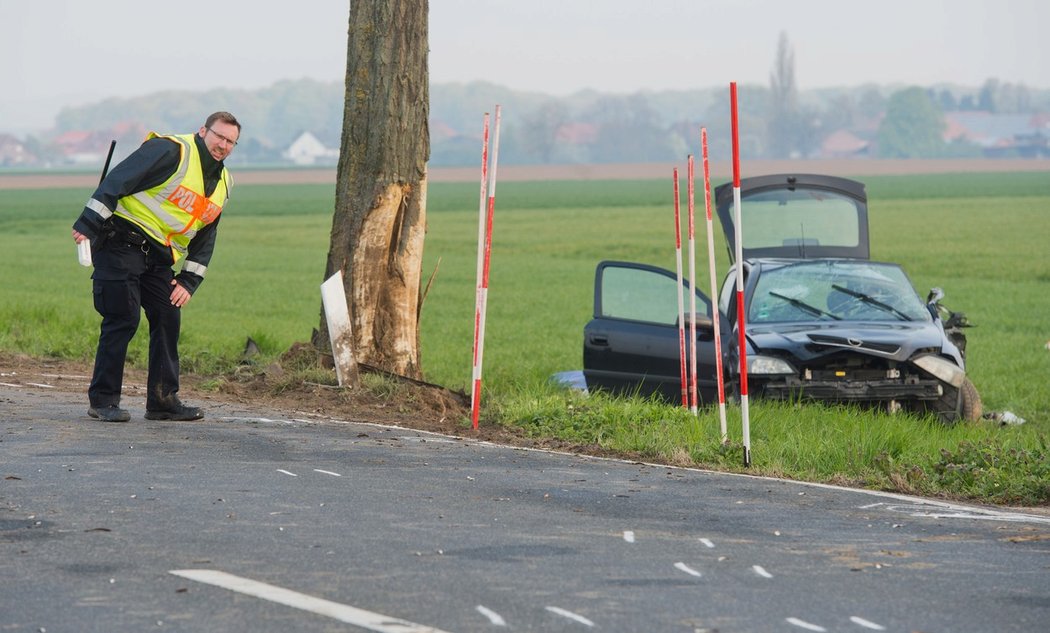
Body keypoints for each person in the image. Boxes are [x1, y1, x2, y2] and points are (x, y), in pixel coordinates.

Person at [71, 112, 240, 422]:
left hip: (159, 257)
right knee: (124, 316)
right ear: (203, 130)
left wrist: (189, 280)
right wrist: (89, 222)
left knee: (167, 315)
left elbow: (206, 234)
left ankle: (162, 400)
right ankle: (104, 400)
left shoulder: (223, 183)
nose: (223, 145)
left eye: (231, 141)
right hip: (122, 241)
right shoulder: (171, 151)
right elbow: (119, 178)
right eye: (219, 136)